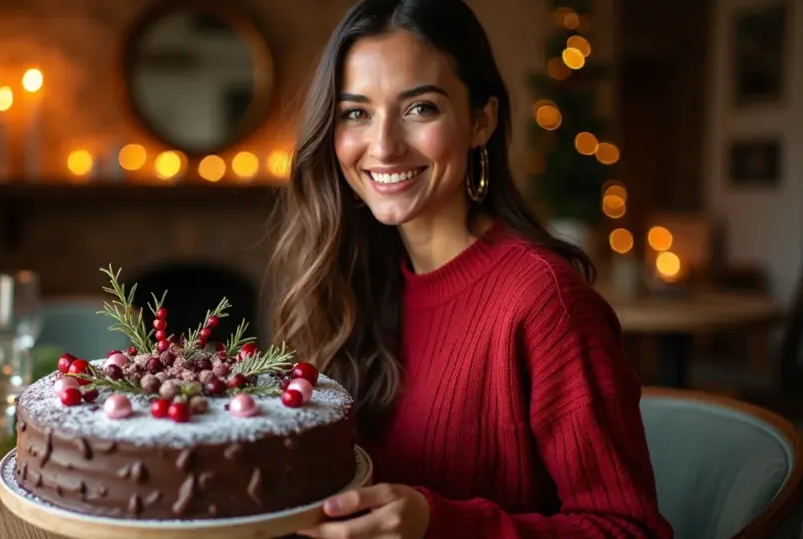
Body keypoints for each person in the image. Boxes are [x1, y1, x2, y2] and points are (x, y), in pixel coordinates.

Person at [269, 0, 674, 537]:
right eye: (356, 113)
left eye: (420, 109)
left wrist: (440, 524)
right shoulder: (352, 280)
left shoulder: (544, 301)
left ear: (481, 121)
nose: (384, 146)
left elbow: (631, 529)